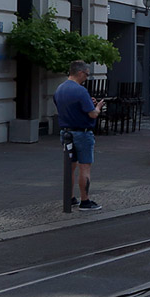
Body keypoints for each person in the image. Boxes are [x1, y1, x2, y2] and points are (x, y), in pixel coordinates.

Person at [55, 61, 105, 210]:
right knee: (85, 167)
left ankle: (69, 198)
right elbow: (92, 114)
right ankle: (85, 201)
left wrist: (89, 103)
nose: (87, 78)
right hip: (82, 133)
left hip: (65, 131)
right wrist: (98, 107)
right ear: (80, 73)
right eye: (87, 75)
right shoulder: (81, 90)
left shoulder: (60, 89)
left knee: (69, 167)